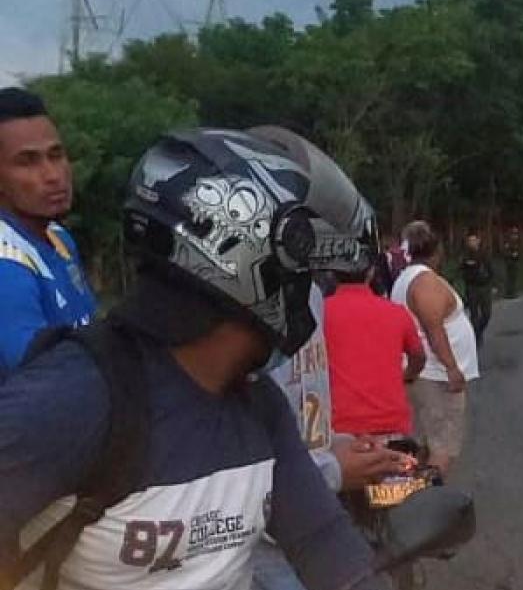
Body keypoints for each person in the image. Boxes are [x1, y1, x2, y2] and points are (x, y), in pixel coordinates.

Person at [0, 127, 388, 590]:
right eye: (304, 279)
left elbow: (324, 543)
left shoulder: (259, 407)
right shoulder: (73, 399)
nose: (311, 298)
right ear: (250, 269)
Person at [245, 126, 409, 590]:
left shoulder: (311, 297)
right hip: (259, 550)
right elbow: (233, 450)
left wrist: (339, 443)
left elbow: (297, 410)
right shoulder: (240, 319)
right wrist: (336, 470)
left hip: (310, 522)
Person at [0, 87, 95, 372]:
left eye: (56, 155)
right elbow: (46, 381)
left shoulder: (57, 235)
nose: (53, 176)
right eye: (27, 162)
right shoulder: (7, 267)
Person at [391, 221, 480, 478]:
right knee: (442, 446)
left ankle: (411, 495)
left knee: (423, 445)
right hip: (435, 376)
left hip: (421, 373)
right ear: (437, 250)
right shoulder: (425, 282)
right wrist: (452, 367)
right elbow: (434, 329)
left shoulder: (405, 279)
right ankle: (428, 503)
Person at [325, 268, 425, 439]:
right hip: (391, 423)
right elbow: (418, 357)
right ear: (371, 272)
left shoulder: (320, 313)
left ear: (331, 274)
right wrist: (407, 375)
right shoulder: (396, 312)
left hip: (340, 427)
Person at [458, 230, 494, 346]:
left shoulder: (484, 253)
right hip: (472, 287)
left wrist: (493, 284)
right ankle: (476, 337)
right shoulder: (465, 255)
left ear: (479, 241)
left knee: (486, 314)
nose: (472, 243)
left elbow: (491, 269)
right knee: (474, 314)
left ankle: (478, 331)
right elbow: (461, 269)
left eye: (474, 240)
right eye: (470, 241)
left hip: (485, 287)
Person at [501, 226, 522, 299]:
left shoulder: (517, 242)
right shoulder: (508, 243)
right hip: (509, 262)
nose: (515, 236)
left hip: (515, 262)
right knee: (509, 278)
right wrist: (511, 255)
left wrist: (517, 255)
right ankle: (508, 293)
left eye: (516, 234)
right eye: (514, 234)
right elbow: (505, 252)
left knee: (514, 278)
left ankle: (513, 292)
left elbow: (519, 251)